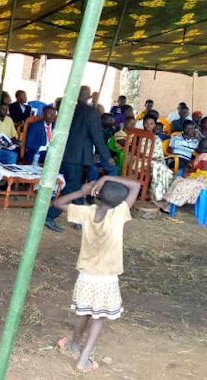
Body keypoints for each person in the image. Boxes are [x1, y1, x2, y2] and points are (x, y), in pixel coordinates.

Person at [54, 175, 140, 374]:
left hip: (86, 275)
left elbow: (58, 203)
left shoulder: (87, 212)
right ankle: (83, 360)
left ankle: (74, 346)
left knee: (84, 312)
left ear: (98, 194)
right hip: (106, 278)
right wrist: (106, 177)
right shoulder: (119, 213)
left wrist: (82, 192)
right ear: (122, 201)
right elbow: (136, 185)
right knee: (98, 318)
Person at [44, 86, 114, 233]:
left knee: (76, 185)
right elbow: (97, 137)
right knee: (72, 187)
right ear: (88, 97)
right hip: (78, 155)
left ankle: (79, 219)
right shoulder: (91, 111)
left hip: (64, 152)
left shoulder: (67, 108)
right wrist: (107, 156)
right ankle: (49, 215)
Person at [163, 137, 207, 209]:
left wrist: (189, 171)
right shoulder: (200, 155)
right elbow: (191, 164)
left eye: (203, 147)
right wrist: (187, 169)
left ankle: (171, 204)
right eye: (200, 145)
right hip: (200, 178)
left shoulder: (205, 156)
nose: (200, 147)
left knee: (183, 184)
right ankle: (168, 202)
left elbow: (203, 171)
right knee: (178, 180)